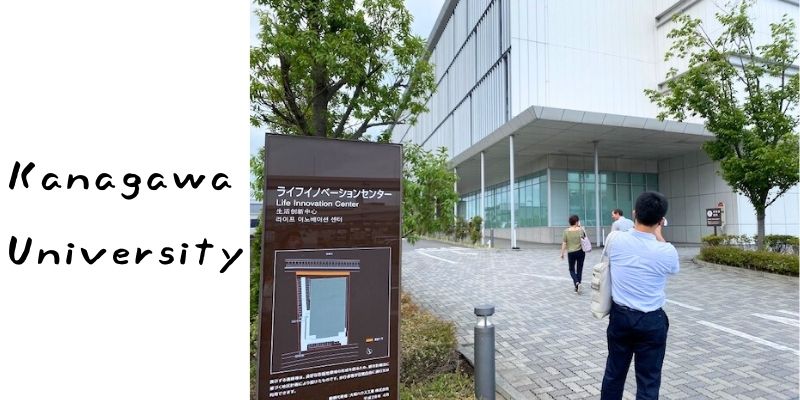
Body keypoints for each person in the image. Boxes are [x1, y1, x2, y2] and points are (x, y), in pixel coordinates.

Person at [601, 191, 680, 400]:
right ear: (661, 220)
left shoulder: (614, 239)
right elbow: (673, 269)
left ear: (635, 213)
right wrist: (658, 234)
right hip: (652, 321)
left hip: (620, 318)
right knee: (649, 381)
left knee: (614, 374)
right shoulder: (667, 251)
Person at [560, 215, 587, 294]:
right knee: (579, 269)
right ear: (576, 222)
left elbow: (564, 243)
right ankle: (578, 285)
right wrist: (580, 227)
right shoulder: (581, 230)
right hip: (581, 252)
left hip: (571, 253)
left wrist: (562, 253)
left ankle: (577, 283)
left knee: (571, 269)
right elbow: (584, 238)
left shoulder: (566, 231)